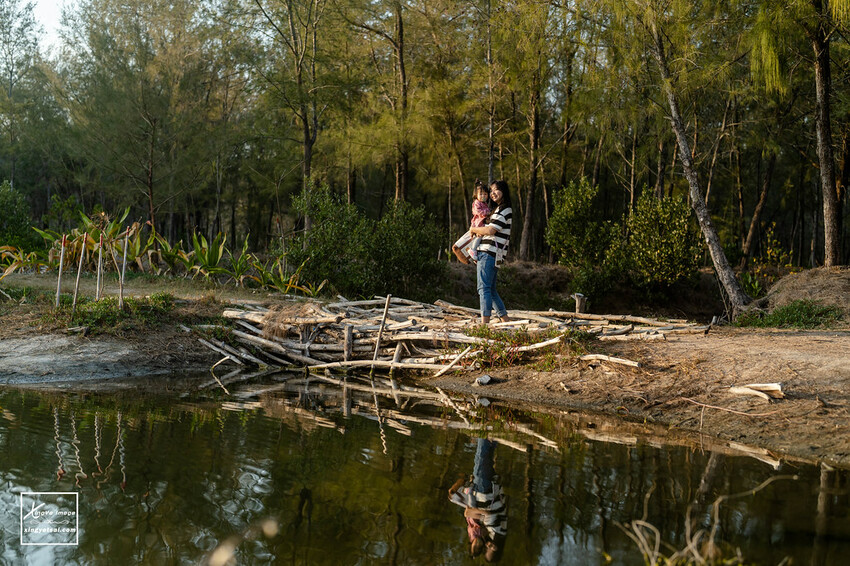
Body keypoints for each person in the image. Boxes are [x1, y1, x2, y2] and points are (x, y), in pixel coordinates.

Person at [447, 438, 507, 562]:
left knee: (485, 456)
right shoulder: (496, 533)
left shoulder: (498, 534)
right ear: (496, 548)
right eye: (488, 549)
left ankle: (493, 430)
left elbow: (492, 514)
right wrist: (480, 513)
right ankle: (484, 425)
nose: (486, 546)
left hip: (486, 492)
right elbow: (489, 514)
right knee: (482, 453)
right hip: (485, 492)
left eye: (484, 549)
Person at [469, 180, 512, 324]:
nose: (493, 193)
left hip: (489, 253)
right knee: (491, 290)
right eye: (491, 191)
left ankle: (484, 324)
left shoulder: (505, 209)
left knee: (483, 288)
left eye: (496, 190)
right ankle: (506, 321)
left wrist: (473, 229)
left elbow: (490, 230)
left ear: (503, 191)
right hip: (489, 253)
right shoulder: (497, 209)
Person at [452, 179, 492, 264]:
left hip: (482, 222)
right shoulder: (476, 203)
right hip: (478, 223)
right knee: (479, 236)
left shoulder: (484, 203)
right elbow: (478, 212)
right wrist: (487, 212)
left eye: (485, 194)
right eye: (480, 194)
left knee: (480, 237)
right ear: (476, 195)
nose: (483, 196)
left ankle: (475, 252)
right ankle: (473, 250)